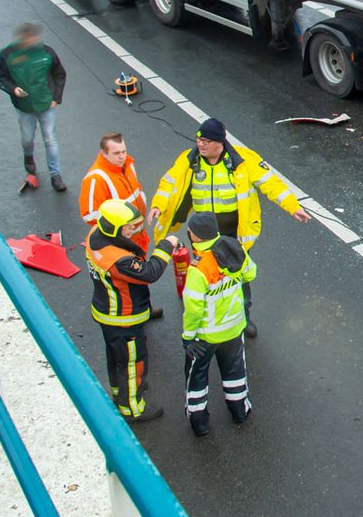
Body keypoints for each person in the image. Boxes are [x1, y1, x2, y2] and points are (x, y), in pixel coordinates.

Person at [148, 118, 310, 337]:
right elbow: (169, 183)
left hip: (234, 233)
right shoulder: (189, 161)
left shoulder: (244, 160)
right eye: (199, 139)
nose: (200, 144)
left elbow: (271, 184)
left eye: (205, 140)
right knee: (206, 276)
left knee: (238, 276)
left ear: (219, 143)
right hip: (203, 235)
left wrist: (293, 207)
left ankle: (243, 317)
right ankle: (205, 317)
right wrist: (158, 205)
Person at [86, 199, 177, 423]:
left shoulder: (95, 236)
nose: (133, 230)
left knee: (115, 356)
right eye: (128, 226)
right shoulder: (117, 259)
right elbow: (149, 272)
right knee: (133, 361)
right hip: (124, 319)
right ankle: (132, 407)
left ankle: (120, 391)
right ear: (115, 228)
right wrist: (167, 246)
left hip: (107, 312)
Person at [181, 212, 256, 437]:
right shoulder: (234, 250)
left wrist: (188, 337)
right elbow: (251, 273)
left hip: (206, 336)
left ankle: (199, 422)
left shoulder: (198, 268)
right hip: (234, 328)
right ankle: (239, 410)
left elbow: (193, 308)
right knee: (235, 372)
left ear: (194, 236)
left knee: (197, 378)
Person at [0, 22, 68, 191]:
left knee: (50, 139)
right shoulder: (7, 55)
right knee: (27, 138)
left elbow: (60, 74)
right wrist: (13, 89)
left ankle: (55, 175)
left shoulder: (47, 52)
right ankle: (29, 158)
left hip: (46, 104)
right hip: (24, 106)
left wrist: (57, 98)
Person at [80, 132, 149, 250]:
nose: (122, 156)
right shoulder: (96, 178)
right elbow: (89, 215)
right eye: (116, 153)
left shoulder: (127, 164)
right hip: (120, 244)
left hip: (138, 238)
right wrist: (120, 227)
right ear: (103, 153)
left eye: (124, 151)